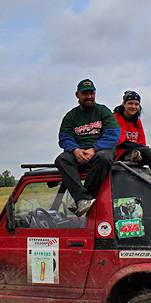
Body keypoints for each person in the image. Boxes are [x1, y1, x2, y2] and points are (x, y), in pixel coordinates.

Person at [55, 79, 120, 217]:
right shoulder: (71, 116)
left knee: (104, 158)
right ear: (77, 95)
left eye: (91, 93)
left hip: (100, 151)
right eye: (85, 93)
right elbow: (64, 137)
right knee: (62, 160)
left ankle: (83, 198)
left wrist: (94, 149)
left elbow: (113, 133)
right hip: (78, 151)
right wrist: (75, 150)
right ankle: (84, 198)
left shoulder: (103, 111)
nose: (89, 96)